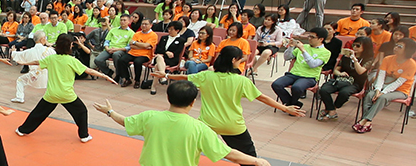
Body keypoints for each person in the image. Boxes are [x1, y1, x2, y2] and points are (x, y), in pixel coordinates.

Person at [155, 46, 303, 157]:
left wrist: (166, 75)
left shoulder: (206, 76)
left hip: (207, 124)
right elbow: (262, 97)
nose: (241, 61)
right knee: (249, 158)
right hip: (233, 126)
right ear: (233, 60)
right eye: (240, 59)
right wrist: (285, 108)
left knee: (188, 150)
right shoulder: (241, 81)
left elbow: (185, 77)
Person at [93, 79, 273, 166]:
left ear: (168, 98)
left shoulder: (150, 117)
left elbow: (125, 122)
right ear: (193, 102)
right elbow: (229, 153)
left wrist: (110, 112)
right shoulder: (199, 128)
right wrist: (256, 161)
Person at [15, 34, 116, 143]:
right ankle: (84, 136)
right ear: (69, 46)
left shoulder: (51, 59)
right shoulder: (72, 60)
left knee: (38, 113)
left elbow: (37, 62)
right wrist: (105, 76)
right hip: (67, 95)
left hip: (51, 95)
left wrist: (24, 63)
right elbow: (89, 71)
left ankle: (22, 130)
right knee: (82, 111)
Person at [353, 38, 416, 133]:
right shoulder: (388, 59)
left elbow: (399, 82)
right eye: (396, 45)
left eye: (400, 46)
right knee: (370, 95)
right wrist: (378, 90)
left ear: (407, 50)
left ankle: (365, 120)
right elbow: (381, 76)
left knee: (383, 98)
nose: (396, 48)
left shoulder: (411, 64)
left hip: (400, 90)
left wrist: (383, 93)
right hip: (383, 86)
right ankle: (367, 123)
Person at [317, 37, 377, 121]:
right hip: (340, 80)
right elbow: (336, 70)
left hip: (355, 83)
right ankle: (331, 111)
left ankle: (331, 109)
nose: (354, 47)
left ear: (365, 47)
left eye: (358, 46)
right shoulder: (345, 57)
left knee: (344, 93)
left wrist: (354, 59)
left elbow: (360, 71)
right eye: (353, 45)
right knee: (323, 89)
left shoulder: (368, 60)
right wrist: (340, 73)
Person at [272, 27, 331, 108]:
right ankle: (292, 104)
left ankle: (291, 105)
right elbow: (287, 57)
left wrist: (303, 50)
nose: (309, 39)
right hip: (293, 74)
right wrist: (291, 47)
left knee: (297, 87)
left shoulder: (325, 52)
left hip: (309, 77)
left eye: (312, 37)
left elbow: (313, 64)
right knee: (276, 84)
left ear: (321, 39)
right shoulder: (305, 46)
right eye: (309, 36)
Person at [10, 31, 54, 104]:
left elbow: (17, 55)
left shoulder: (29, 51)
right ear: (42, 39)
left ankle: (20, 97)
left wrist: (13, 51)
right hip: (48, 76)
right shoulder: (49, 50)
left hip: (34, 75)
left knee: (20, 80)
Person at [117, 21, 159, 89]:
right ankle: (127, 79)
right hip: (133, 52)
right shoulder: (137, 34)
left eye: (146, 24)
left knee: (137, 62)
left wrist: (135, 43)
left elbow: (146, 45)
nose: (144, 25)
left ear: (151, 25)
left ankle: (137, 80)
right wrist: (143, 46)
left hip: (145, 55)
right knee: (121, 60)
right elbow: (131, 45)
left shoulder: (153, 35)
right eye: (142, 24)